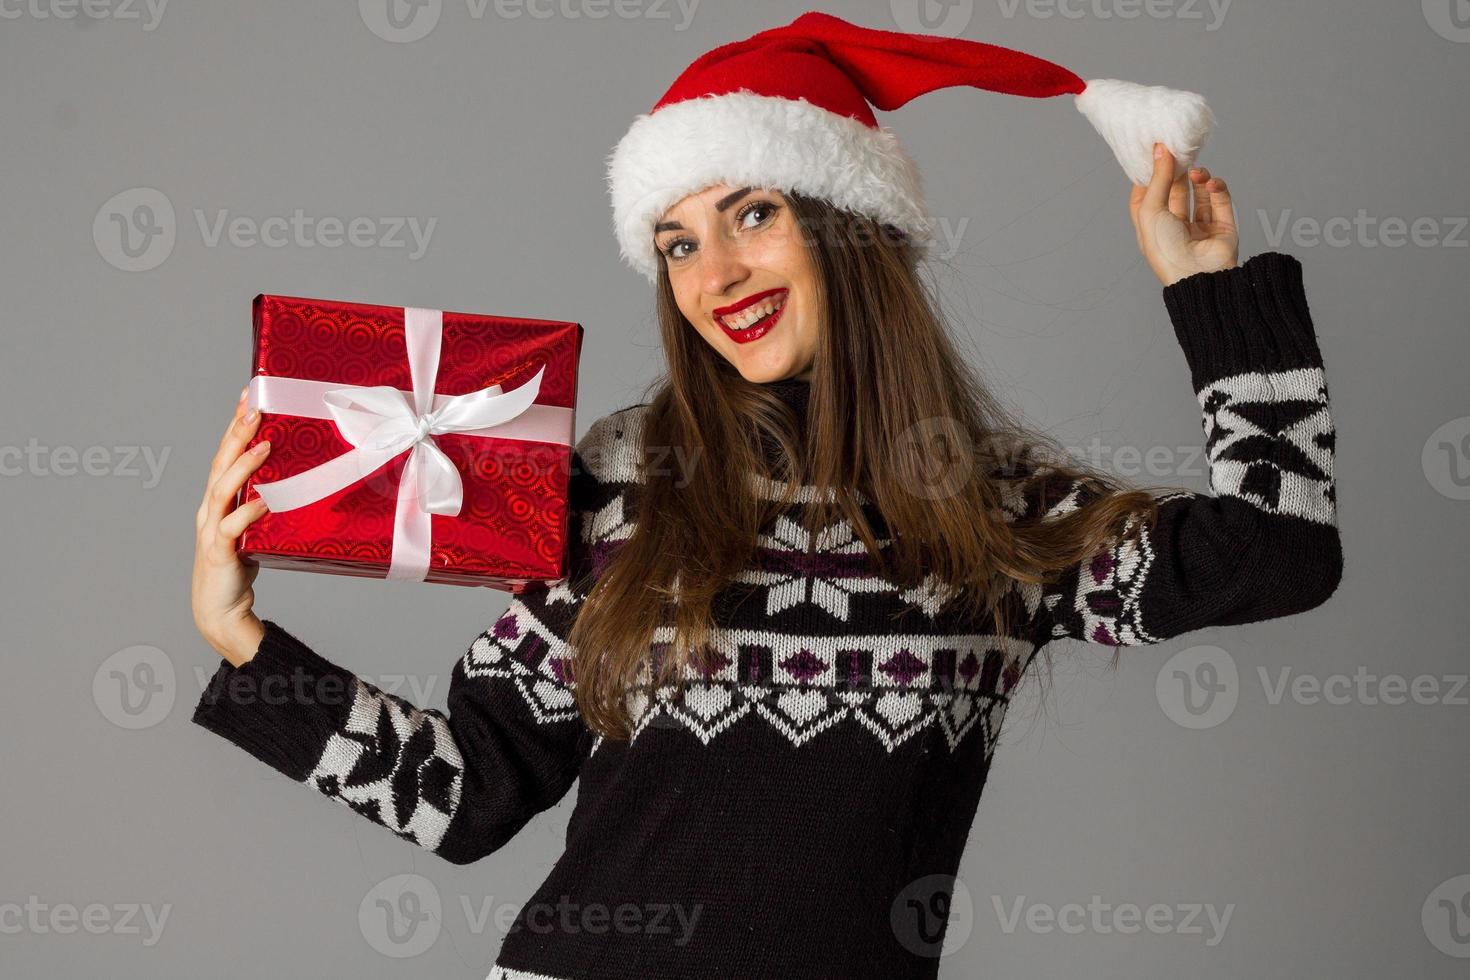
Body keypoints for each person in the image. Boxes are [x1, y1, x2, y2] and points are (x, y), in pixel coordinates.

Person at [190, 12, 1341, 980]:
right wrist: (247, 643)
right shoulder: (623, 482)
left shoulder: (993, 515)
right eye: (677, 242)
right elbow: (468, 792)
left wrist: (1214, 295)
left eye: (752, 214)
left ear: (849, 226)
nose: (717, 274)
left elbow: (1280, 550)